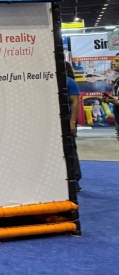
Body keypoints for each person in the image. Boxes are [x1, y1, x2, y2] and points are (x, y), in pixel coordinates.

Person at [64, 62, 82, 192]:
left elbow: (75, 103)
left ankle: (74, 180)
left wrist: (72, 121)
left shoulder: (70, 82)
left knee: (70, 149)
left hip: (67, 120)